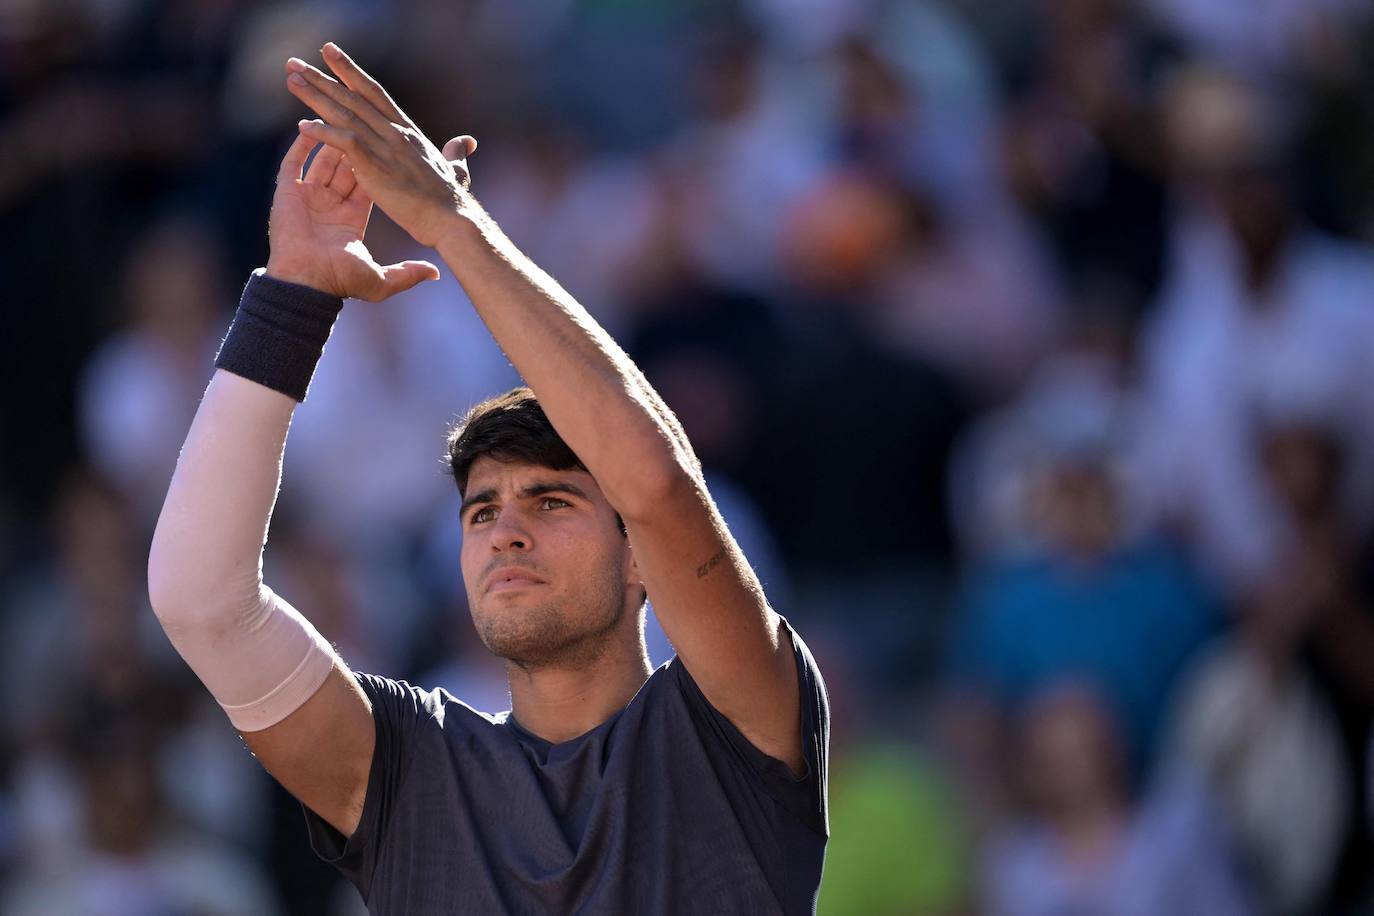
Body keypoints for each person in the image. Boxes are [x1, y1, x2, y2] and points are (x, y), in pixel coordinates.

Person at [147, 42, 829, 916]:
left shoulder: (732, 727)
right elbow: (200, 602)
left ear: (638, 561)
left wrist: (454, 226)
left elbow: (654, 483)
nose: (505, 530)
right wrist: (290, 295)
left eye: (551, 500)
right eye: (480, 512)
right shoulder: (405, 768)